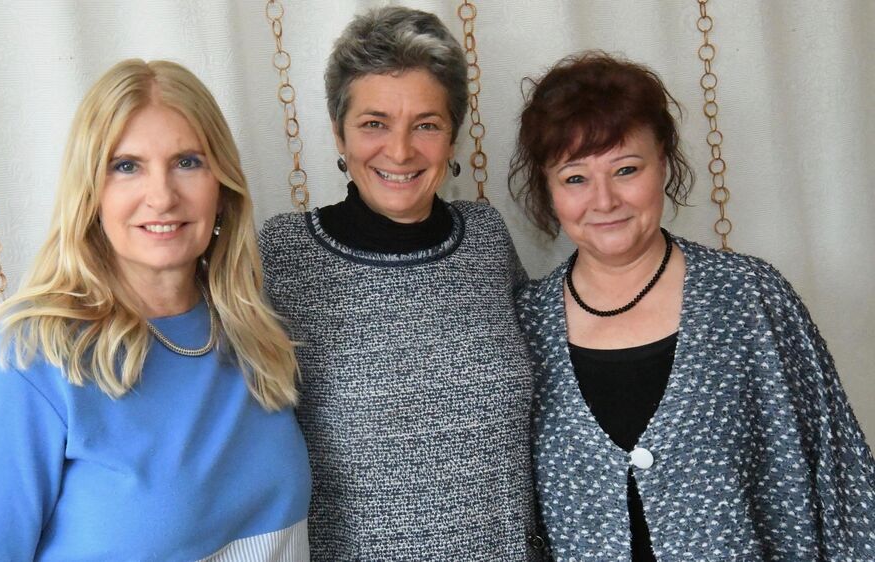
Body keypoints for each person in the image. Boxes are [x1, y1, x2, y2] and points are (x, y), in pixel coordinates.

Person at [0, 59, 310, 561]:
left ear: (222, 188)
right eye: (126, 166)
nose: (162, 196)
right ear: (90, 193)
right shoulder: (33, 357)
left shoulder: (255, 329)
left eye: (188, 162)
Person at [509, 50, 875, 561]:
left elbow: (842, 479)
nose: (604, 200)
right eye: (575, 178)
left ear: (664, 163)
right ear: (548, 191)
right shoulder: (523, 327)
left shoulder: (749, 298)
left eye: (626, 169)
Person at [259, 6, 540, 560]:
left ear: (453, 136)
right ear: (338, 133)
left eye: (426, 125)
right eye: (374, 123)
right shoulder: (284, 253)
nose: (401, 150)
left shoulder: (486, 236)